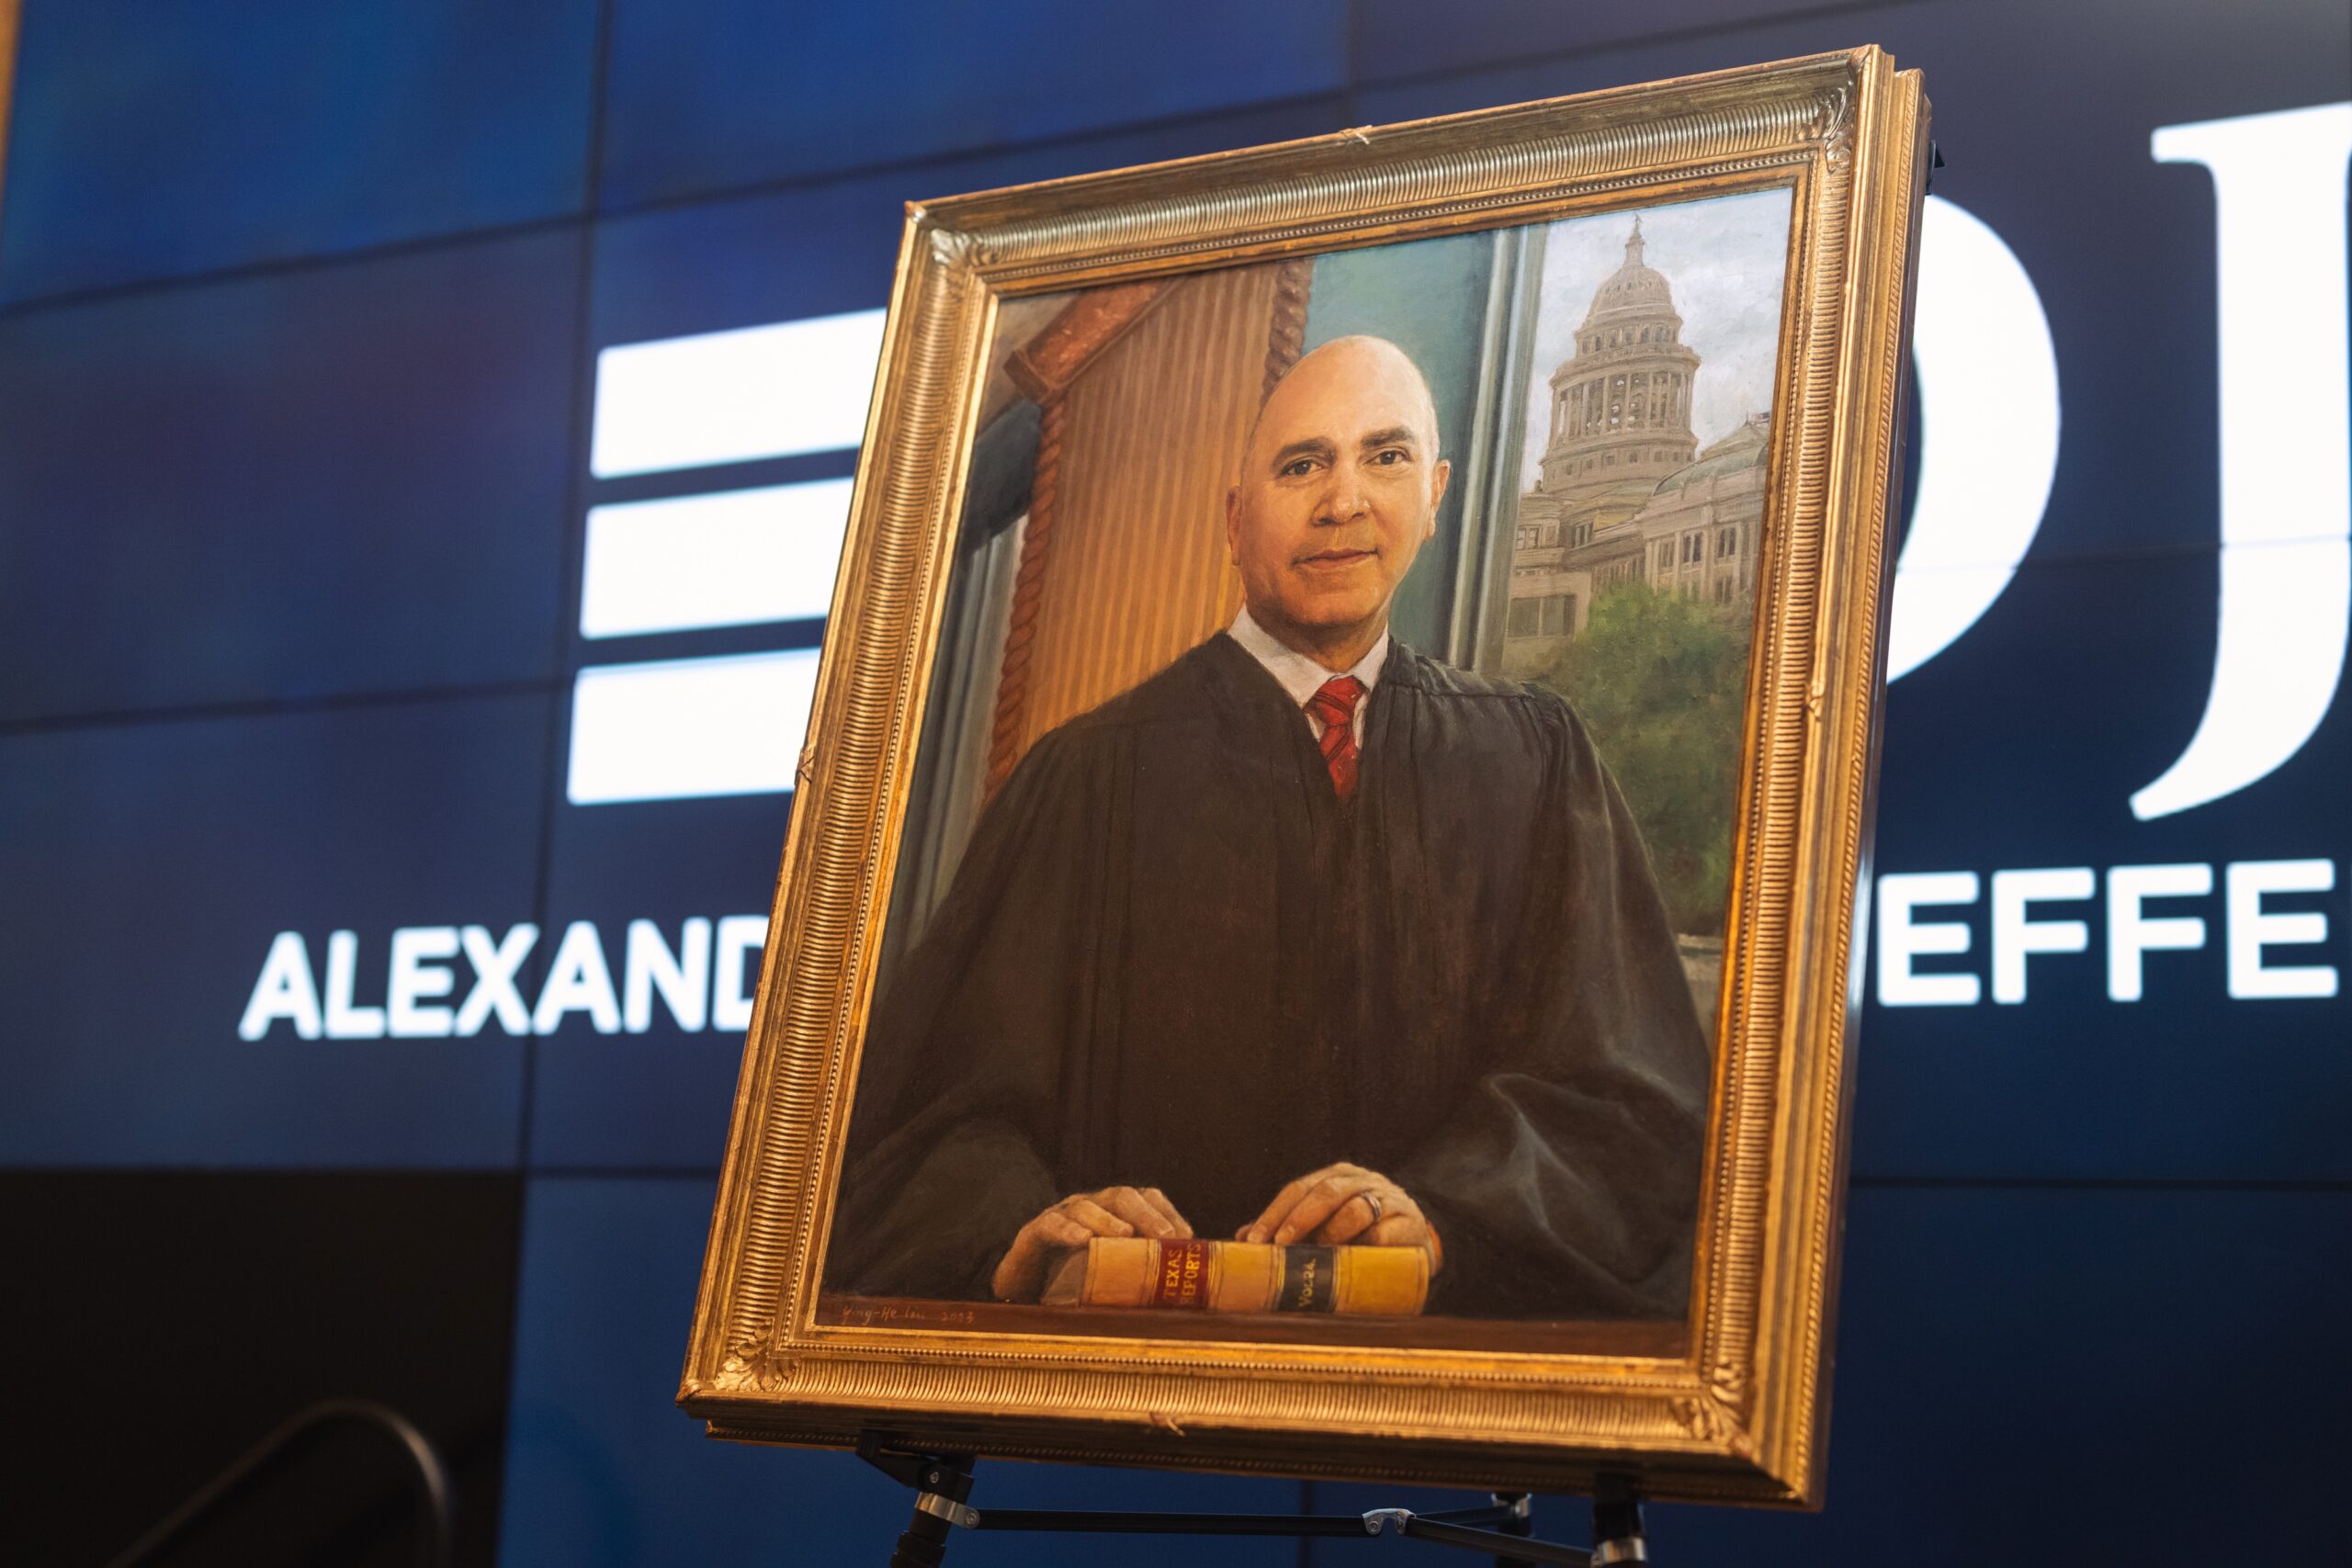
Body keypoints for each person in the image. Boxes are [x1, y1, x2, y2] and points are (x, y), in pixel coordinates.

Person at [826, 335, 1709, 1320]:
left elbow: (1629, 1109)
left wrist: (1445, 1217)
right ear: (1234, 518)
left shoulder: (1537, 761)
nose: (1343, 501)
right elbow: (931, 1122)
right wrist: (1028, 1224)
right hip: (1130, 1395)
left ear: (1434, 494)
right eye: (1301, 465)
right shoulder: (1087, 776)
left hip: (1433, 1390)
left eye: (1385, 457)